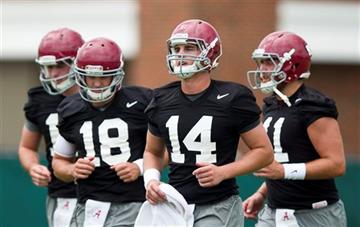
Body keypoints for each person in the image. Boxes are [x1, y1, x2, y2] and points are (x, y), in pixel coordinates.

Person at [142, 19, 274, 227]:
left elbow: (264, 152)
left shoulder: (233, 97)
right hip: (175, 204)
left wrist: (223, 172)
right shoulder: (160, 98)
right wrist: (150, 179)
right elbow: (153, 152)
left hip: (218, 204)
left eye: (190, 48)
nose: (181, 53)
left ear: (210, 53)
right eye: (177, 48)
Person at [243, 31, 347, 227]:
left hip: (315, 213)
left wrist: (283, 171)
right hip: (274, 211)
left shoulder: (313, 106)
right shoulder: (272, 104)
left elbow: (336, 164)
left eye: (269, 62)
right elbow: (284, 161)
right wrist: (261, 193)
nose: (262, 69)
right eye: (261, 62)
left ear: (292, 65)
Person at [51, 37, 152, 227]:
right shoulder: (70, 109)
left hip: (133, 204)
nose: (97, 84)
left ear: (117, 75)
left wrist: (139, 167)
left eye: (104, 76)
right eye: (91, 77)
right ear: (81, 76)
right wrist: (72, 169)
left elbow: (162, 152)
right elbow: (59, 162)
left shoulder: (141, 102)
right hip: (88, 205)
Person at [18, 28, 84, 227]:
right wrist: (33, 167)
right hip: (62, 193)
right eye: (48, 66)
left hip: (108, 192)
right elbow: (27, 147)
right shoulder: (40, 101)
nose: (53, 73)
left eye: (59, 65)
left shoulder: (102, 93)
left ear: (76, 62)